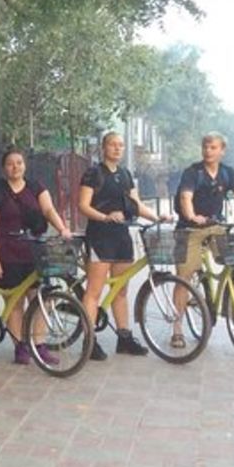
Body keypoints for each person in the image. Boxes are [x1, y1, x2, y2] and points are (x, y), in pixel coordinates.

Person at [171, 131, 234, 348]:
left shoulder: (227, 173)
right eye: (205, 147)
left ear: (222, 151)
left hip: (216, 226)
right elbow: (185, 197)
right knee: (184, 276)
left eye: (213, 147)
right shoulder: (192, 172)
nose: (208, 151)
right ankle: (177, 328)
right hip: (189, 229)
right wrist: (191, 216)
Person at [77, 131, 164, 360]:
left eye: (121, 145)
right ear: (103, 148)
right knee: (94, 290)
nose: (117, 148)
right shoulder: (93, 173)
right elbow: (83, 205)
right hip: (100, 236)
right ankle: (89, 341)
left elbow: (136, 204)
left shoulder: (125, 174)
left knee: (121, 290)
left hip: (122, 236)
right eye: (112, 144)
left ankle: (124, 337)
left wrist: (157, 218)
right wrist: (105, 217)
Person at [0, 148, 72, 364]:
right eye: (10, 163)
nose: (15, 167)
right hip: (7, 253)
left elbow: (49, 210)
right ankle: (20, 346)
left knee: (41, 300)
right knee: (15, 302)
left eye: (19, 163)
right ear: (4, 168)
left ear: (25, 165)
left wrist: (62, 229)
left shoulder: (35, 187)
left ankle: (39, 344)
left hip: (34, 253)